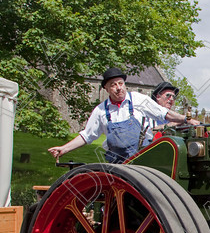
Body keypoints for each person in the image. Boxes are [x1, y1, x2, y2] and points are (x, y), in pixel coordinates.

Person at [48, 68, 193, 163]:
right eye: (113, 85)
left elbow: (165, 114)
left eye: (120, 83)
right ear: (106, 88)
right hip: (117, 163)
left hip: (144, 157)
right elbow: (87, 135)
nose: (118, 88)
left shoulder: (138, 99)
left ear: (125, 84)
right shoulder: (101, 111)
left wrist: (186, 119)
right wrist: (64, 149)